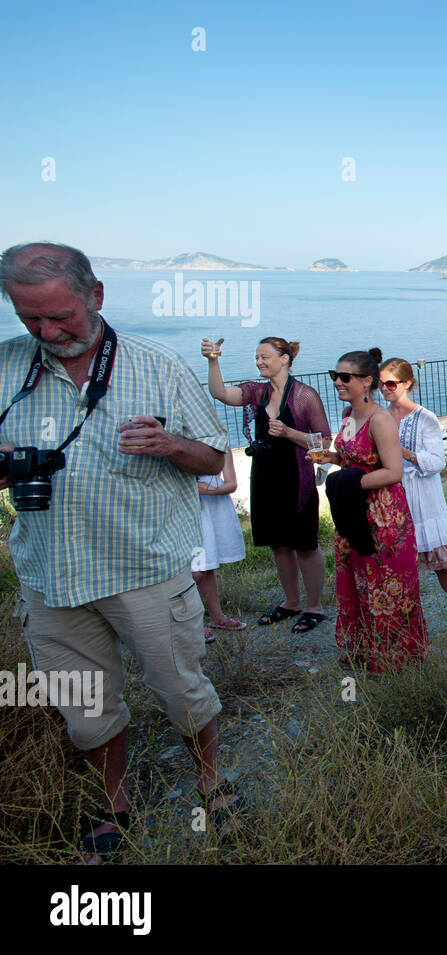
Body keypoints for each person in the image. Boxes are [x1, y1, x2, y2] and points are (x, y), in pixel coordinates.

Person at [0, 241, 240, 861]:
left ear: (96, 296)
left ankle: (212, 786)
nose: (48, 332)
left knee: (181, 690)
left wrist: (168, 444)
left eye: (62, 317)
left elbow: (215, 456)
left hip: (146, 572)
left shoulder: (157, 365)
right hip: (51, 577)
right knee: (85, 709)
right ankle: (114, 807)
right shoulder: (5, 369)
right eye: (31, 320)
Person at [203, 335, 331, 634]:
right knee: (279, 545)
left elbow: (324, 441)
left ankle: (314, 607)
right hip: (265, 478)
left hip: (296, 480)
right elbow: (220, 393)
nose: (259, 362)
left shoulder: (304, 396)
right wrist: (213, 360)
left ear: (284, 359)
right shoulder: (256, 392)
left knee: (305, 546)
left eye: (265, 357)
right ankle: (291, 602)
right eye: (257, 358)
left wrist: (289, 433)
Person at [319, 348, 427, 672]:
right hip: (353, 511)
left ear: (367, 381)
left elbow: (393, 471)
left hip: (383, 517)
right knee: (357, 582)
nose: (338, 382)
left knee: (386, 586)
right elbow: (356, 459)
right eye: (334, 376)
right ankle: (364, 649)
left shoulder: (380, 420)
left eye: (345, 377)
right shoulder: (349, 416)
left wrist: (351, 482)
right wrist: (333, 460)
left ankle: (396, 659)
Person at [380, 357, 447, 630]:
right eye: (381, 384)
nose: (385, 389)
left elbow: (437, 462)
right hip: (391, 497)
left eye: (391, 383)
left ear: (407, 383)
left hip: (421, 499)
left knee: (440, 563)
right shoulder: (380, 416)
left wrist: (403, 453)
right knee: (396, 566)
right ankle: (402, 621)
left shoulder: (424, 418)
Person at [192, 449, 247, 643]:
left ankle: (217, 617)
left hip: (214, 507)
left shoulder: (220, 444)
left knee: (208, 566)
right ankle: (189, 624)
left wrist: (207, 489)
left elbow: (231, 484)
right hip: (191, 510)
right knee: (195, 571)